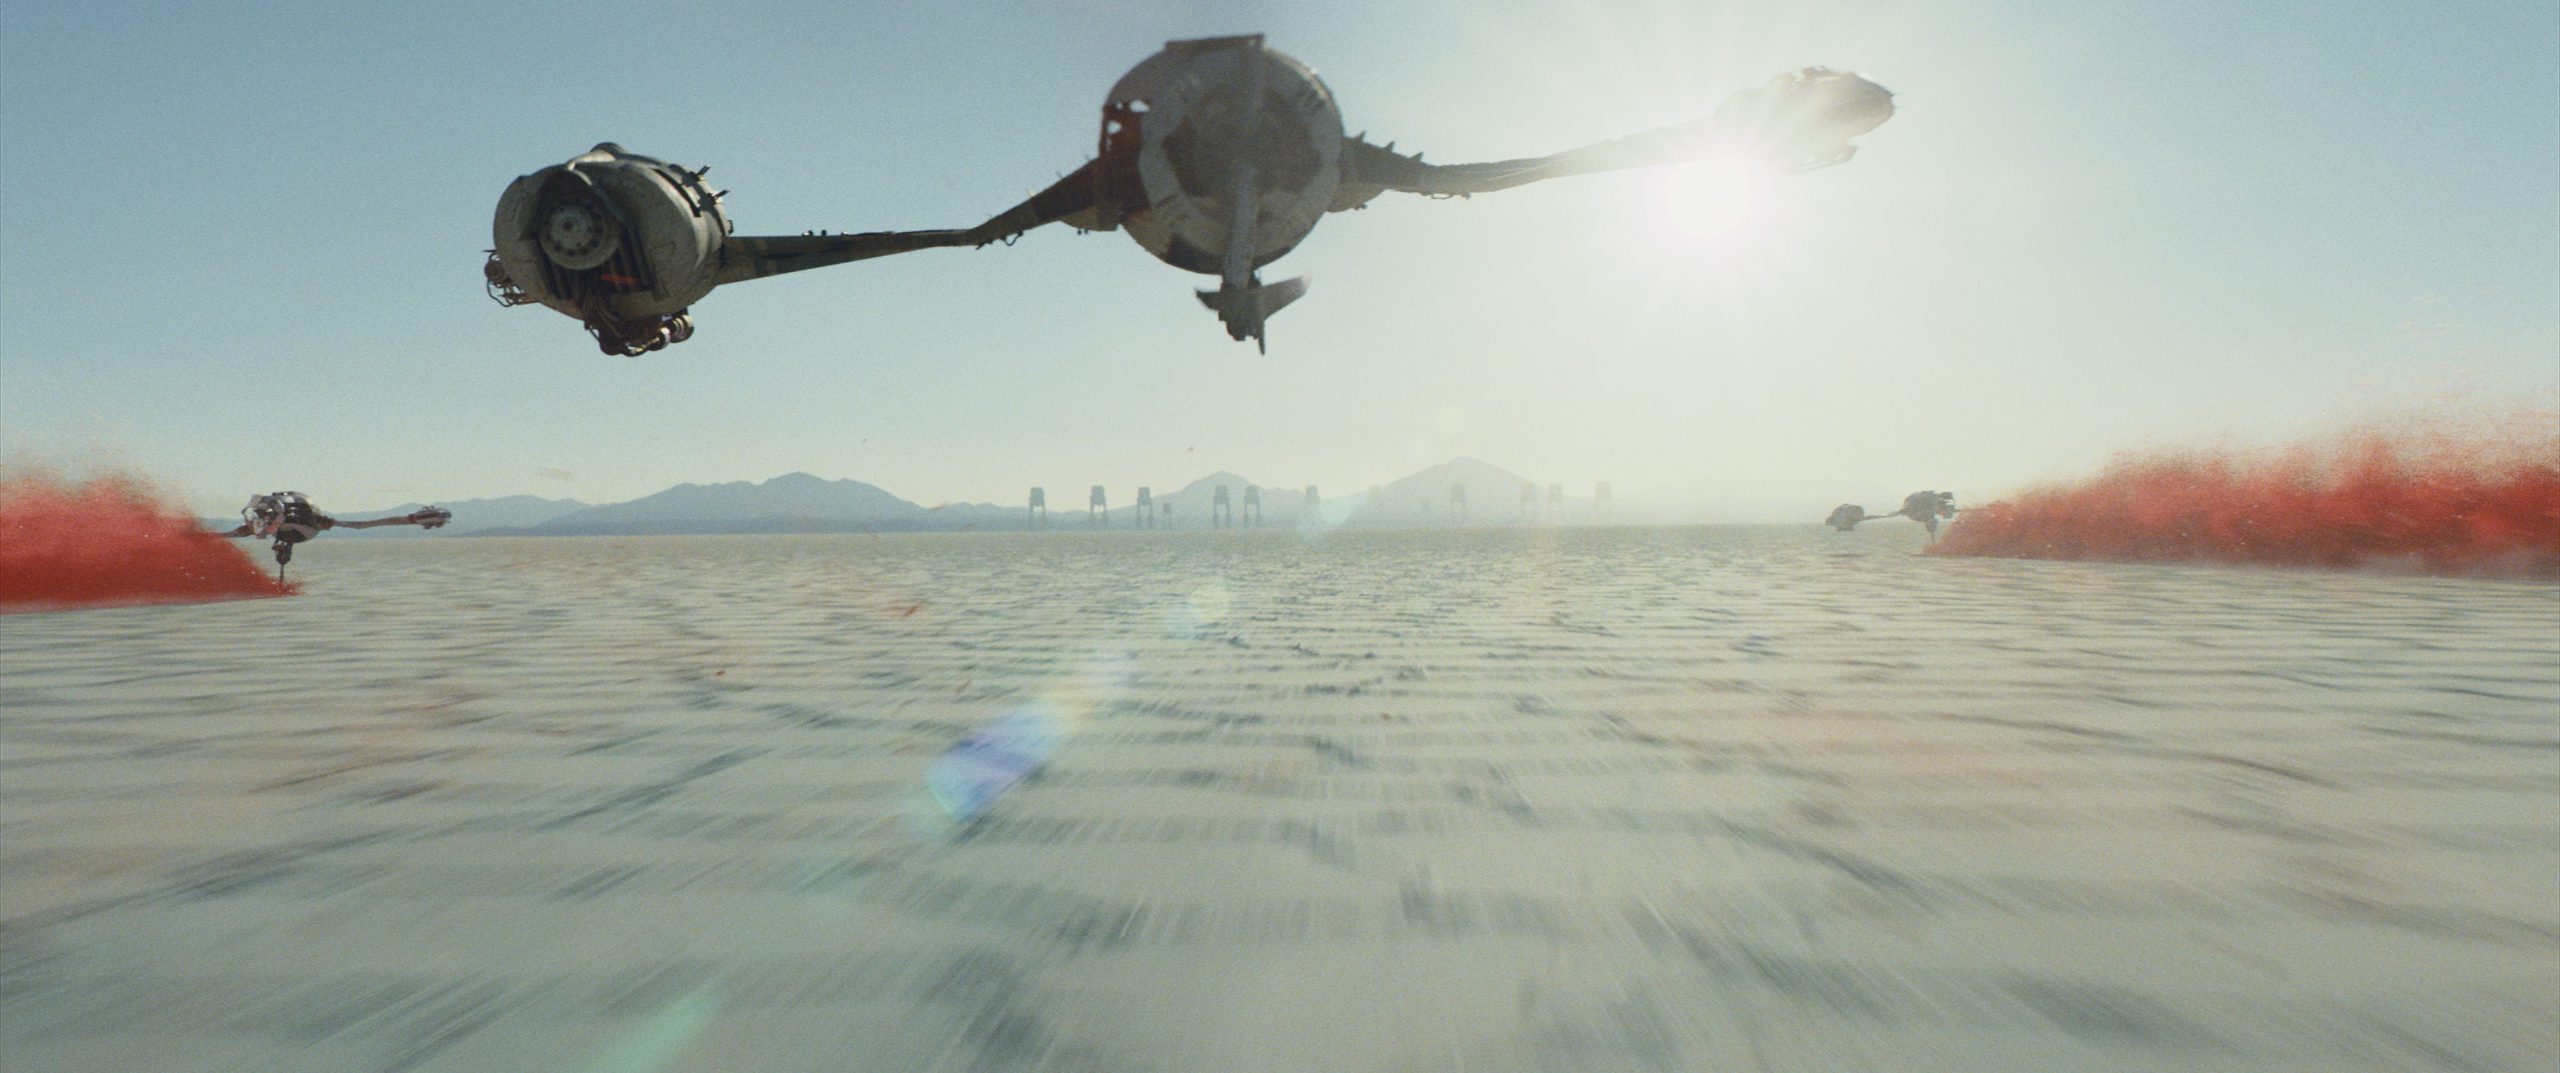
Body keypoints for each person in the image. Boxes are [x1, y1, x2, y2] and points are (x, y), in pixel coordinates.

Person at [221, 492, 451, 569]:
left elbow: (361, 525)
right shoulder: (272, 519)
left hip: (303, 528)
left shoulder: (306, 518)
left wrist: (413, 519)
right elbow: (361, 525)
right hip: (299, 528)